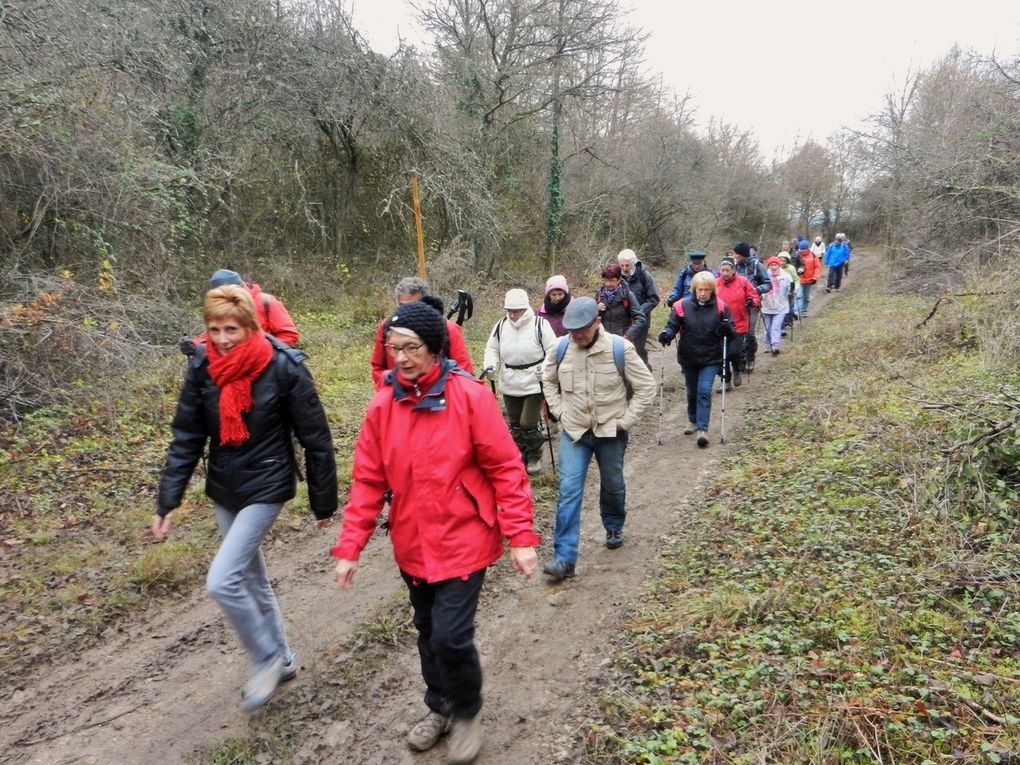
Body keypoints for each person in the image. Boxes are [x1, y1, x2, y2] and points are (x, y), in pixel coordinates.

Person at [332, 301, 539, 765]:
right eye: (393, 349)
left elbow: (506, 468)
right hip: (412, 541)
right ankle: (440, 705)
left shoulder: (470, 396)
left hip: (465, 537)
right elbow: (368, 479)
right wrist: (351, 547)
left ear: (436, 349)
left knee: (450, 635)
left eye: (411, 348)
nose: (401, 358)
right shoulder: (383, 404)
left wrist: (520, 537)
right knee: (427, 630)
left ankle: (466, 711)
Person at [155, 285, 338, 710]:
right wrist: (168, 501)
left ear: (251, 325)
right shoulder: (203, 365)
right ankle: (285, 659)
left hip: (268, 483)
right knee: (250, 578)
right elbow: (187, 435)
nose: (221, 338)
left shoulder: (284, 366)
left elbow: (317, 439)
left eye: (231, 329)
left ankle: (266, 658)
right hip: (223, 484)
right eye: (214, 329)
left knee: (223, 580)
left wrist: (322, 503)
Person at [540, 297, 656, 582]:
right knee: (568, 490)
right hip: (575, 431)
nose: (577, 335)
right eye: (571, 330)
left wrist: (626, 421)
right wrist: (559, 412)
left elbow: (646, 387)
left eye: (582, 329)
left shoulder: (620, 349)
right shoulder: (560, 348)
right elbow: (547, 381)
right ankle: (564, 558)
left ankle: (614, 525)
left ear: (597, 322)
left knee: (613, 484)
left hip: (610, 432)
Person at [483, 289, 557, 474]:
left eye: (516, 311)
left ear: (525, 309)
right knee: (514, 423)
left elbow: (553, 349)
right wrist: (490, 365)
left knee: (527, 422)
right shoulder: (501, 326)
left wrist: (546, 368)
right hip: (509, 380)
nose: (513, 315)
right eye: (509, 311)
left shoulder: (540, 324)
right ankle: (520, 455)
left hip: (533, 380)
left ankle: (534, 456)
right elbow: (492, 348)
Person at [657, 271, 734, 448]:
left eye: (707, 290)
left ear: (712, 290)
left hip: (711, 357)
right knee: (692, 392)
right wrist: (667, 335)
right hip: (689, 356)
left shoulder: (721, 307)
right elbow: (672, 326)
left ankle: (702, 429)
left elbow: (731, 331)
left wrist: (726, 328)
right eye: (700, 289)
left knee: (704, 390)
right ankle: (692, 420)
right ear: (694, 289)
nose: (703, 293)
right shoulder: (681, 306)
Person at [370, 277, 474, 389]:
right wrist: (389, 391)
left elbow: (464, 372)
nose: (410, 312)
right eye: (403, 307)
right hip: (399, 398)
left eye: (415, 306)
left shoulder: (448, 329)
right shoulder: (387, 327)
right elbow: (378, 367)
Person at [181, 269, 301, 354]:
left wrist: (264, 352)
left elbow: (289, 335)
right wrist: (194, 345)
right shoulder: (219, 307)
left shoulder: (267, 302)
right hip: (233, 366)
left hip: (266, 365)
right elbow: (216, 332)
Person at [714, 257, 759, 391]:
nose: (725, 273)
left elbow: (754, 296)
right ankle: (725, 381)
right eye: (722, 271)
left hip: (738, 323)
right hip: (719, 324)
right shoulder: (715, 283)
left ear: (733, 271)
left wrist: (752, 301)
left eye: (728, 270)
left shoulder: (743, 282)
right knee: (721, 354)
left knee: (734, 352)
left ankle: (737, 370)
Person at [617, 248, 660, 368]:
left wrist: (638, 312)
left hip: (641, 321)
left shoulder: (645, 276)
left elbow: (654, 299)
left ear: (634, 263)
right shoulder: (617, 277)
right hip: (623, 321)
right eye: (622, 265)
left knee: (639, 349)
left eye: (627, 265)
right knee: (624, 350)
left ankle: (645, 369)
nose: (625, 268)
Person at [730, 242, 769, 372]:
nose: (734, 256)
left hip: (752, 304)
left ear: (743, 255)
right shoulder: (733, 266)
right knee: (737, 332)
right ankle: (740, 360)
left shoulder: (757, 265)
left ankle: (750, 357)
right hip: (736, 304)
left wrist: (755, 290)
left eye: (736, 254)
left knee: (749, 332)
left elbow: (768, 284)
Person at [595, 263, 647, 342]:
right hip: (604, 338)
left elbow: (640, 319)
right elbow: (591, 316)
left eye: (612, 280)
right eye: (605, 280)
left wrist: (627, 336)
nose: (608, 284)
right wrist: (596, 308)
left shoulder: (628, 295)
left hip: (622, 339)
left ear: (619, 280)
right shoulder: (599, 294)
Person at [760, 257, 793, 354]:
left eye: (775, 265)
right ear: (768, 265)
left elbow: (790, 290)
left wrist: (792, 288)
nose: (773, 267)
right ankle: (768, 344)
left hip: (781, 305)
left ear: (779, 265)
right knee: (768, 326)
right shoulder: (764, 276)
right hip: (767, 305)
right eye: (771, 265)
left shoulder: (785, 276)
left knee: (776, 326)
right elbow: (760, 288)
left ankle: (775, 345)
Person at [797, 240, 822, 317]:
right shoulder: (797, 256)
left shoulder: (813, 256)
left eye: (804, 249)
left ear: (808, 248)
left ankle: (804, 311)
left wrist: (815, 277)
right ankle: (797, 312)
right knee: (799, 295)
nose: (803, 251)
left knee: (806, 296)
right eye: (801, 249)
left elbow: (817, 267)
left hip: (809, 280)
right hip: (799, 279)